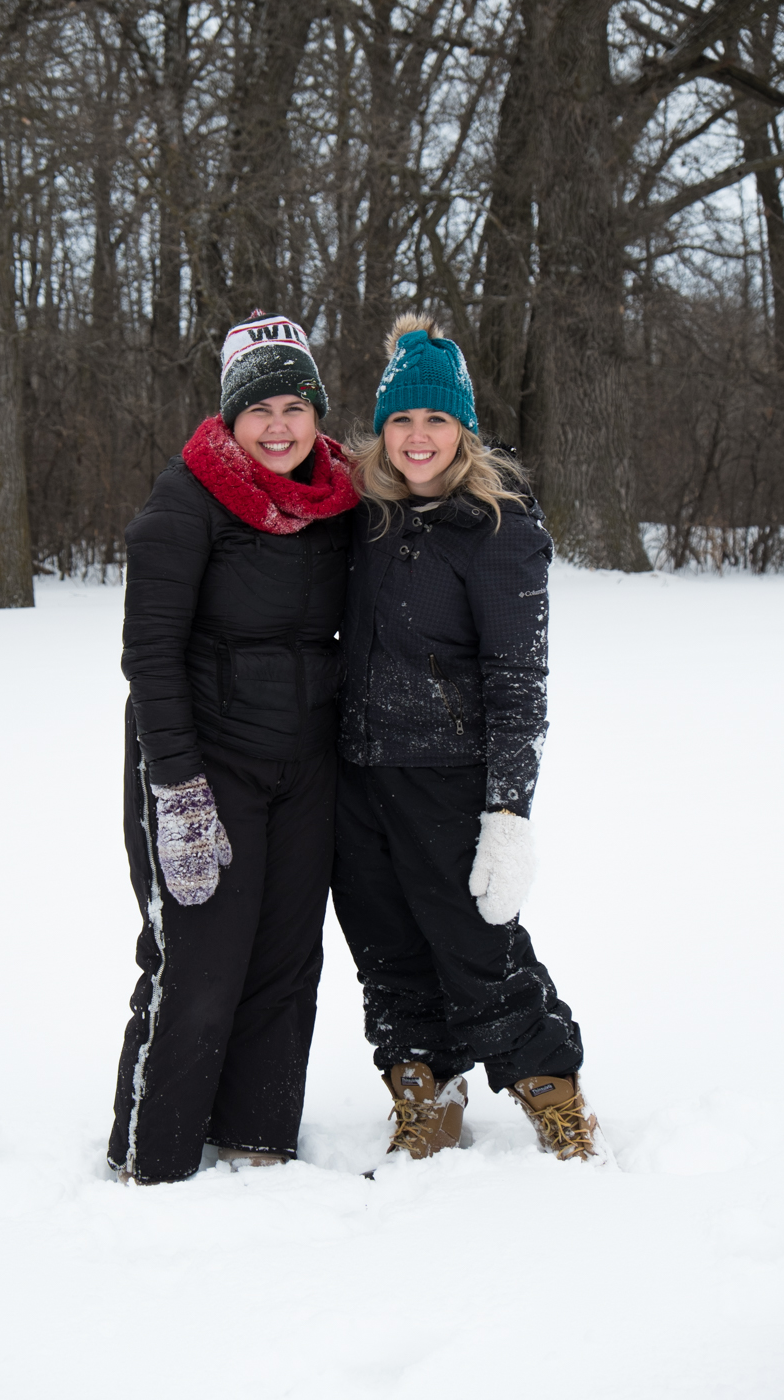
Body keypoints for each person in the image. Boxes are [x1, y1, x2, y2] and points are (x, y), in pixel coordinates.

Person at [332, 313, 599, 1163]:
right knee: (386, 949)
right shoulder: (362, 518)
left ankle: (551, 1094)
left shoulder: (499, 528)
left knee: (477, 948)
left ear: (463, 429)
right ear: (382, 428)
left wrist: (508, 810)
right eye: (402, 420)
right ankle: (425, 1089)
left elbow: (519, 682)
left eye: (435, 420)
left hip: (447, 777)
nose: (417, 438)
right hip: (353, 773)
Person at [108, 311, 357, 1185]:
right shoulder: (184, 502)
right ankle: (156, 1157)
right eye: (261, 409)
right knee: (199, 964)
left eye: (297, 405)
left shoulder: (338, 500)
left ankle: (257, 1139)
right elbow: (149, 658)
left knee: (287, 961)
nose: (280, 426)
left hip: (305, 765)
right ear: (230, 416)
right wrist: (175, 790)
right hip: (203, 761)